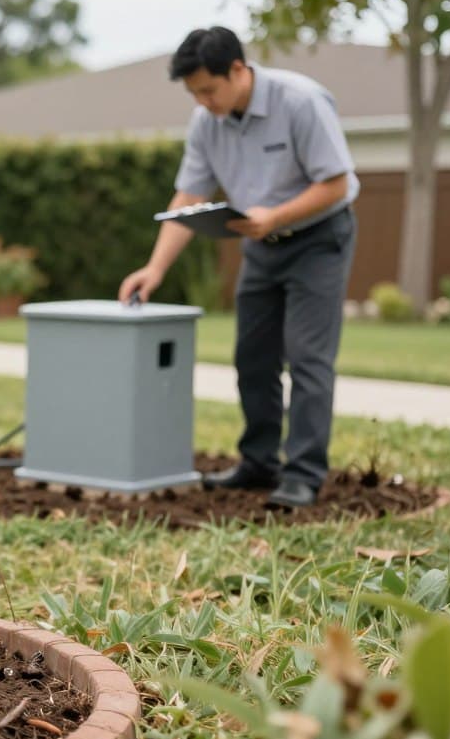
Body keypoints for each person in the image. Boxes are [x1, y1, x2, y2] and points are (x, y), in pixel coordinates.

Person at [118, 26, 359, 508]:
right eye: (194, 94)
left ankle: (303, 474)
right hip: (262, 246)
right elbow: (190, 197)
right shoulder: (206, 122)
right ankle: (259, 463)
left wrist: (276, 216)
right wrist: (155, 268)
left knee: (308, 358)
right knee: (253, 357)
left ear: (237, 69)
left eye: (209, 90)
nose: (202, 102)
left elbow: (337, 184)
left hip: (318, 240)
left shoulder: (301, 102)